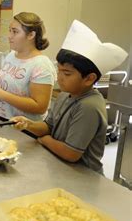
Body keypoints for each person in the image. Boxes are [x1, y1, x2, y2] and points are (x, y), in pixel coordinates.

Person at [11, 20, 128, 174]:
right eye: (58, 70)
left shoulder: (89, 106)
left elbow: (71, 153)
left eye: (67, 73)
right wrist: (28, 124)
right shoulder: (65, 96)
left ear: (89, 78)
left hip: (83, 175)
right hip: (60, 167)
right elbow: (49, 127)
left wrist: (44, 139)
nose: (59, 77)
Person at [0, 12, 56, 133]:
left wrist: (2, 95)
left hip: (23, 128)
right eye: (9, 30)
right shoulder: (11, 56)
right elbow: (6, 87)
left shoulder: (41, 65)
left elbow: (40, 107)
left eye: (15, 32)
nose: (9, 36)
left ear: (31, 35)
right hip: (1, 120)